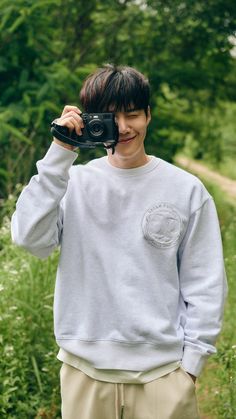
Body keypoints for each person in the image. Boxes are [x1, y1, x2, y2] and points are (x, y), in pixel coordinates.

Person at [11, 64, 227, 419]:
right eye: (111, 117)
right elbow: (29, 239)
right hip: (84, 370)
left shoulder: (186, 189)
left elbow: (204, 282)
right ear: (90, 119)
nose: (124, 127)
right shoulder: (72, 182)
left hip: (164, 375)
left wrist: (191, 367)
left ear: (148, 116)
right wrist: (59, 151)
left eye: (133, 115)